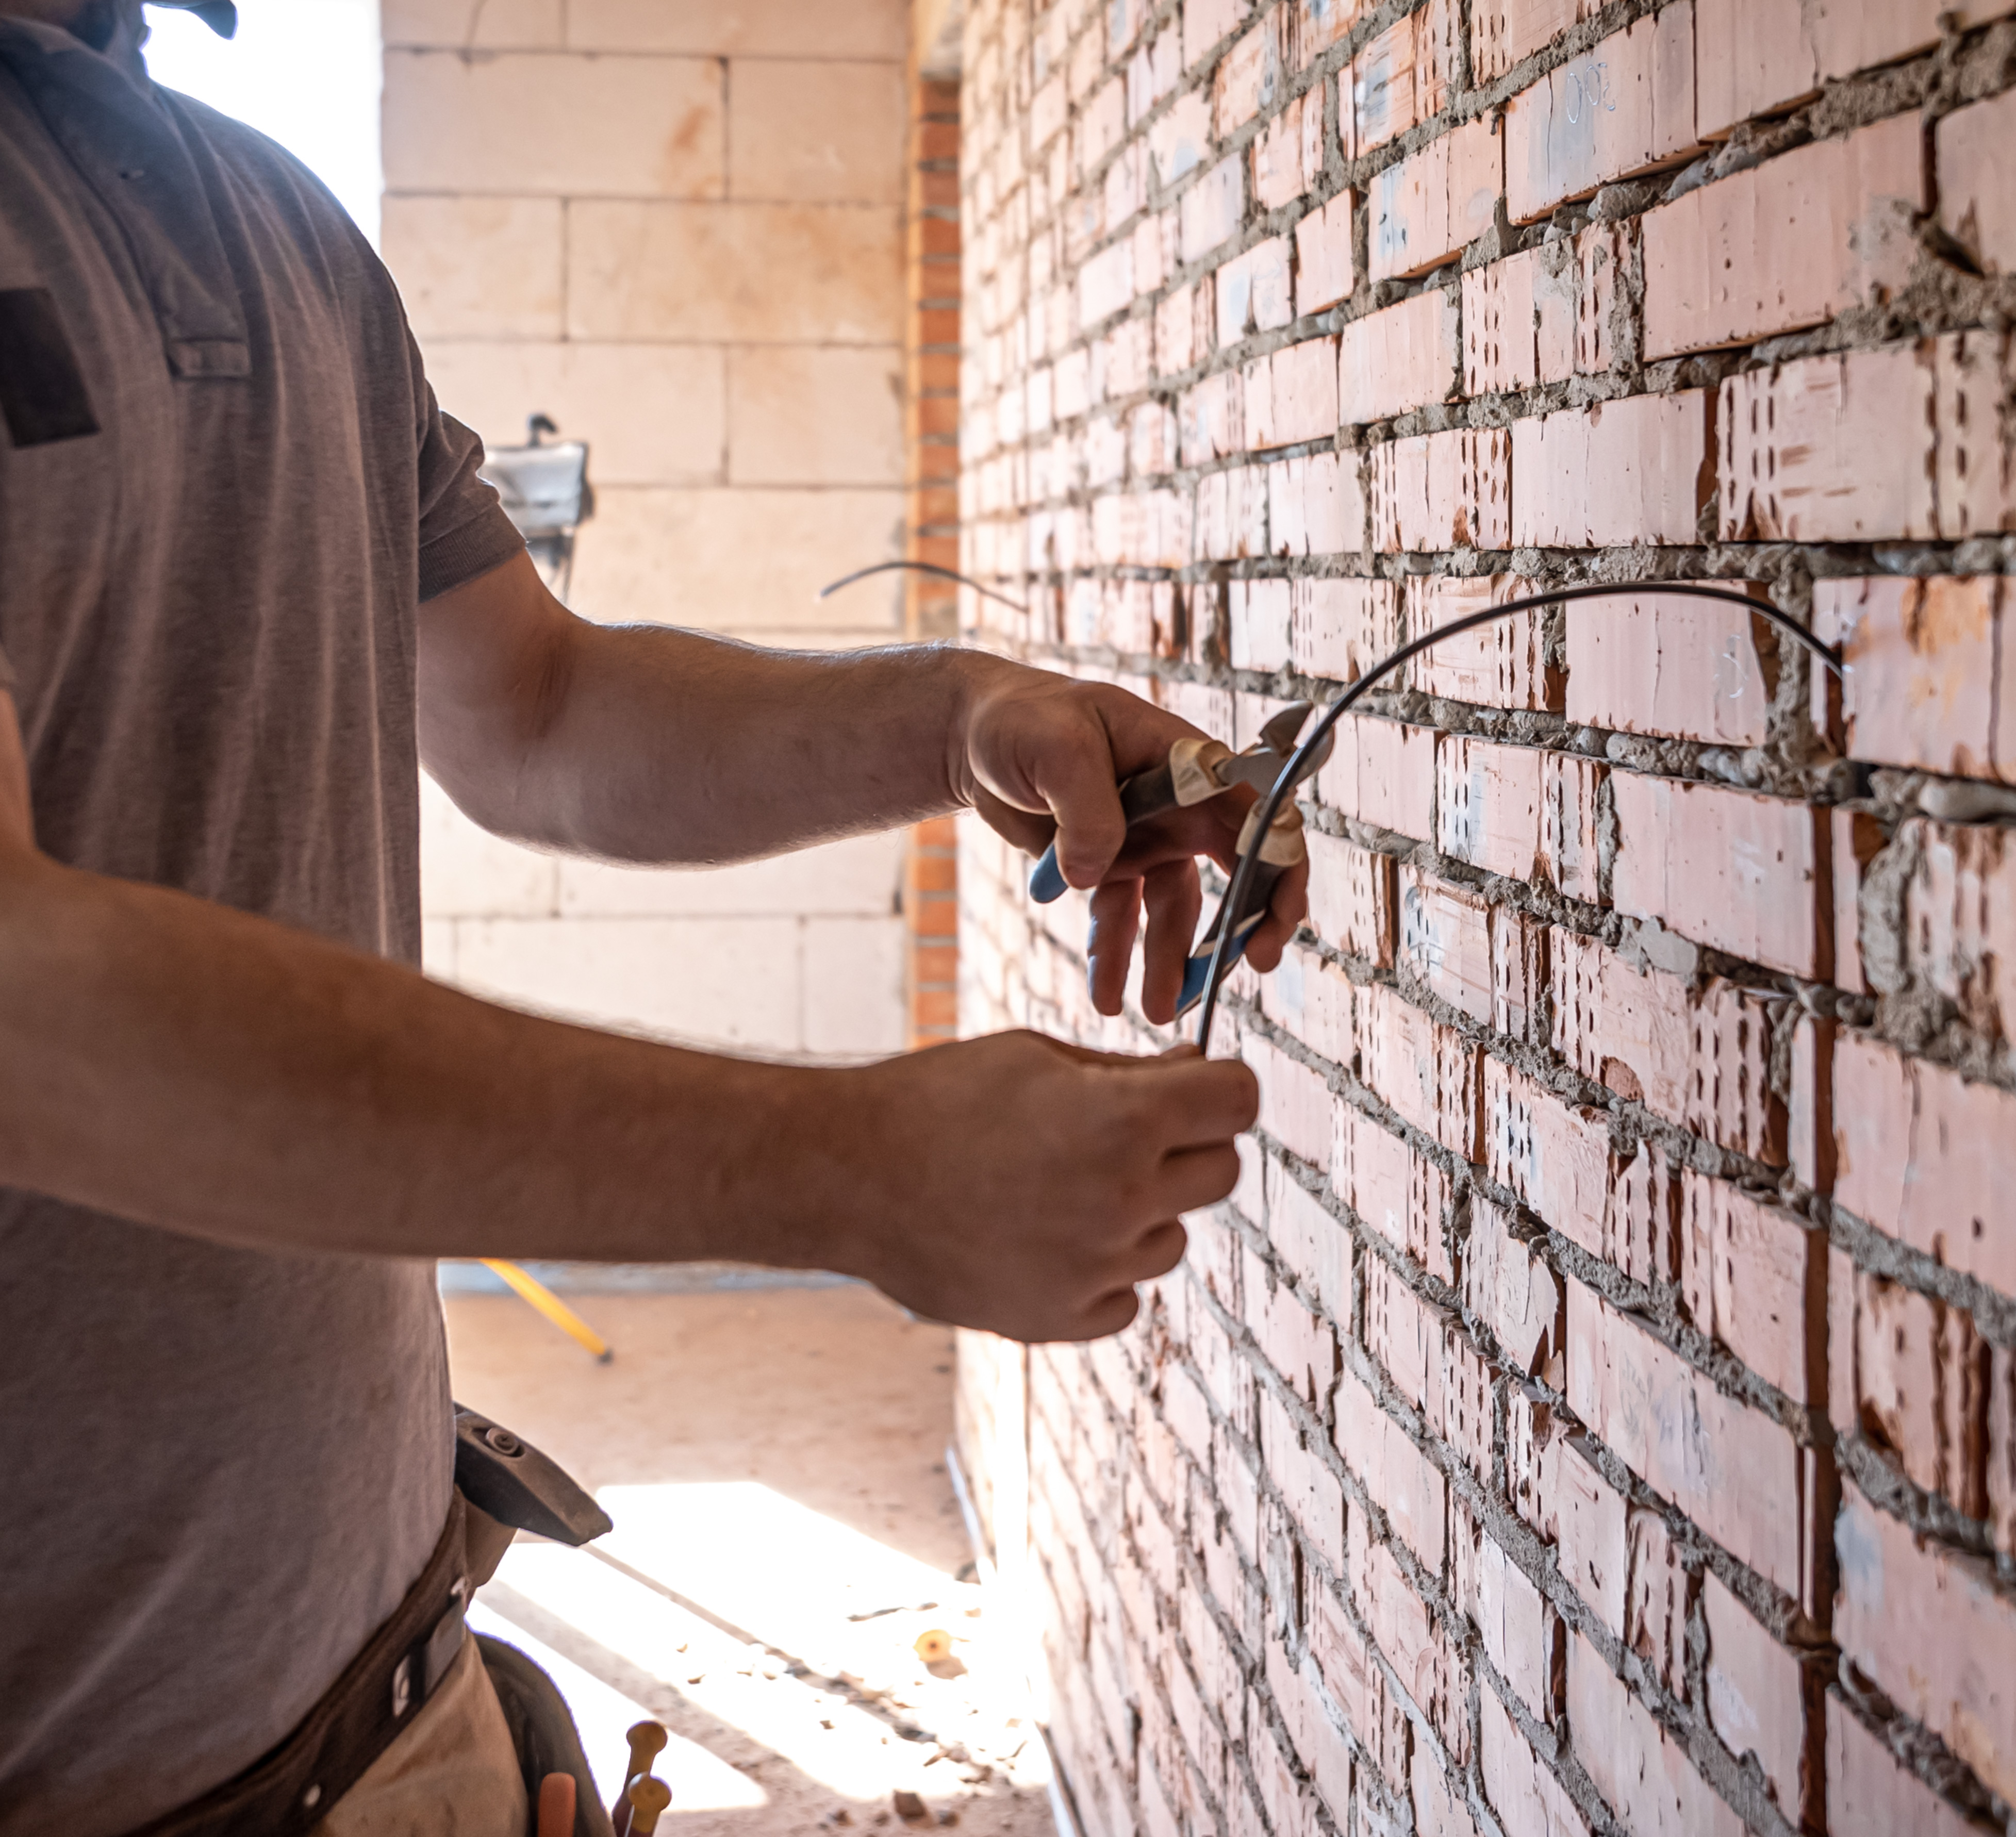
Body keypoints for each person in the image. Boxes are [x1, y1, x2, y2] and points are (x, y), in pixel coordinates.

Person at [0, 3, 1307, 1831]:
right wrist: (841, 1166)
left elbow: (535, 710)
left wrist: (954, 718)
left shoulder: (278, 223)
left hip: (390, 1712)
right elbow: (26, 1010)